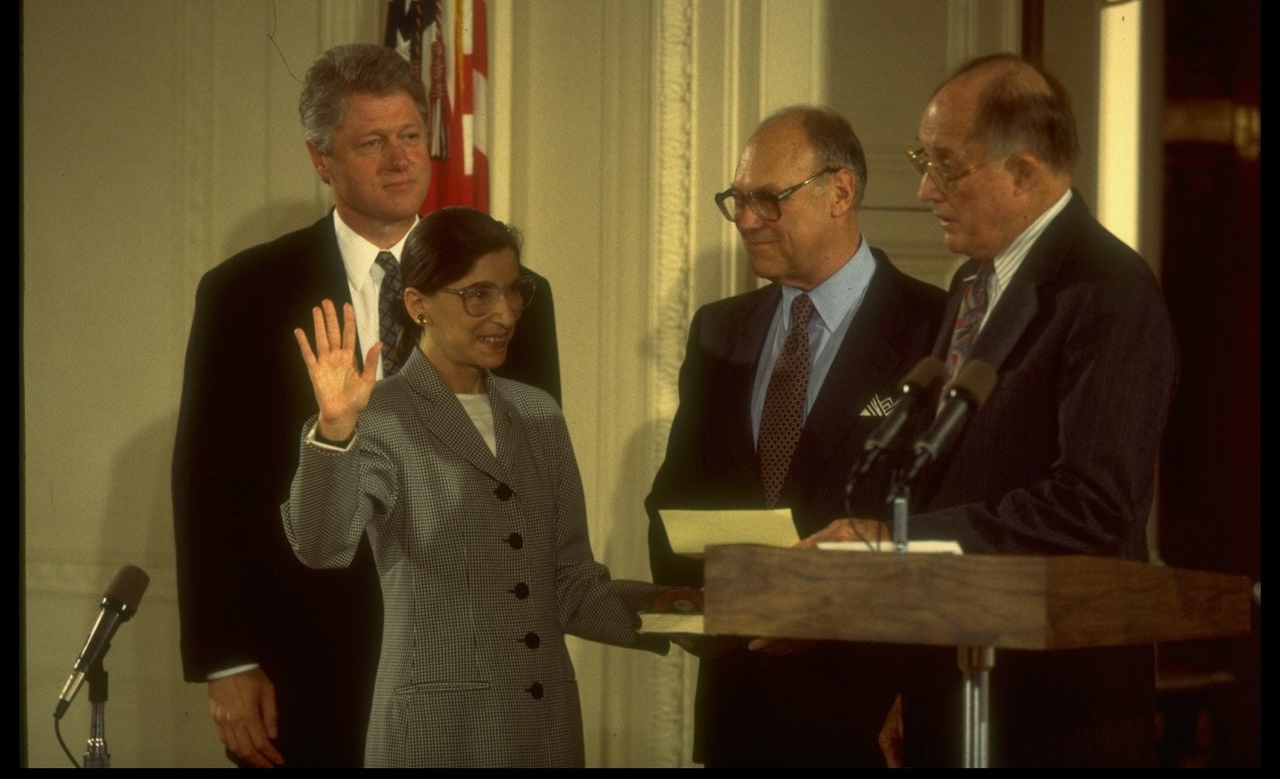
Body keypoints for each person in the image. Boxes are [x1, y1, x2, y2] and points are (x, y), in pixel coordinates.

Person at [171, 43, 561, 768]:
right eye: (371, 142)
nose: (400, 159)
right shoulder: (242, 293)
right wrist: (226, 660)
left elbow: (530, 485)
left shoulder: (513, 290)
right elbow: (209, 486)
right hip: (305, 665)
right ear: (322, 159)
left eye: (411, 135)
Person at [810, 54, 1180, 767]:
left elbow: (1093, 504)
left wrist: (895, 538)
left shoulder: (1109, 290)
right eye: (925, 159)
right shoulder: (974, 283)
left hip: (1054, 712)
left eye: (947, 165)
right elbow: (949, 477)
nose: (924, 188)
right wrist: (912, 678)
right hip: (954, 687)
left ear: (1024, 172)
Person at [282, 206, 671, 767]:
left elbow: (568, 582)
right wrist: (336, 428)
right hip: (435, 737)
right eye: (479, 295)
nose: (506, 314)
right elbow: (322, 547)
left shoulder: (538, 415)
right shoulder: (378, 415)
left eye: (514, 293)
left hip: (545, 734)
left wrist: (676, 612)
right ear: (418, 306)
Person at [644, 106, 948, 766]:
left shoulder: (936, 328)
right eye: (738, 200)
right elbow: (674, 500)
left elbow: (943, 523)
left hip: (870, 716)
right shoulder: (718, 330)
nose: (747, 220)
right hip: (741, 711)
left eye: (767, 199)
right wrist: (701, 604)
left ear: (840, 191)